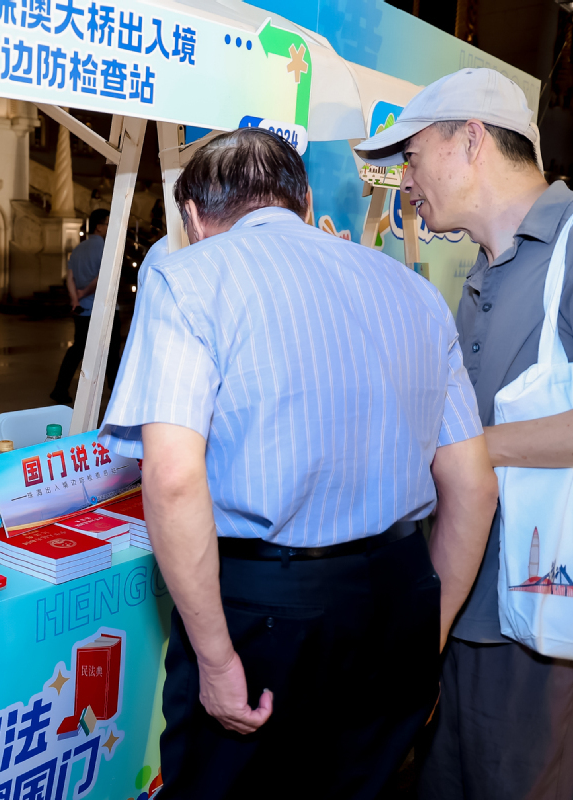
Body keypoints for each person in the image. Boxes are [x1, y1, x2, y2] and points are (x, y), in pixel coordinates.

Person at [99, 127, 500, 798]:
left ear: (193, 218)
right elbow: (473, 486)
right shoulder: (413, 292)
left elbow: (171, 479)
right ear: (303, 198)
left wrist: (217, 658)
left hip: (266, 610)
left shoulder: (186, 276)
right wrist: (423, 635)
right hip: (398, 593)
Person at [356, 67, 573, 799]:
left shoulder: (570, 249)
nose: (406, 181)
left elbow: (476, 447)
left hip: (540, 634)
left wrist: (476, 450)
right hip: (464, 618)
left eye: (412, 157)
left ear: (469, 140)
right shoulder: (480, 273)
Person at [50, 208, 120, 404]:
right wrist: (83, 293)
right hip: (104, 310)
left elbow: (69, 277)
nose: (109, 227)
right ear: (99, 226)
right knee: (112, 353)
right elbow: (102, 278)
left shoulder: (78, 248)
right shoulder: (105, 248)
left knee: (77, 350)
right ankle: (116, 393)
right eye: (108, 223)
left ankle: (60, 388)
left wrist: (75, 299)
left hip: (82, 311)